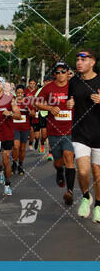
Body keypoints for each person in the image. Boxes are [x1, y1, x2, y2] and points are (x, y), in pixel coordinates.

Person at [67, 50, 100, 222]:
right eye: (77, 59)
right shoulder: (73, 81)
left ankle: (99, 205)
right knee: (84, 169)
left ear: (92, 62)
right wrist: (69, 103)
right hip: (80, 133)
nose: (79, 62)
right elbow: (69, 100)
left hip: (99, 134)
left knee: (97, 172)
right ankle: (86, 197)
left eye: (83, 59)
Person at [37, 62, 75, 205]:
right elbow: (36, 102)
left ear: (68, 72)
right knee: (59, 162)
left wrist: (74, 103)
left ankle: (69, 191)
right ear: (54, 74)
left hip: (71, 130)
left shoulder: (74, 86)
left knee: (69, 156)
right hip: (54, 131)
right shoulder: (48, 88)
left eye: (63, 71)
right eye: (57, 72)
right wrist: (49, 107)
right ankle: (59, 171)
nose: (60, 74)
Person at [0, 77, 21, 196]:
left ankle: (7, 185)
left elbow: (18, 115)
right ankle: (0, 170)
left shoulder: (10, 99)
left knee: (6, 160)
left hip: (7, 135)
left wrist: (10, 113)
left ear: (2, 86)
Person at [12, 84, 31, 175]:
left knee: (22, 148)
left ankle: (20, 165)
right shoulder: (12, 102)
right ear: (15, 93)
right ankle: (14, 163)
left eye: (21, 93)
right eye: (18, 92)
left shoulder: (27, 102)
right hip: (14, 127)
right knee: (16, 146)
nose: (19, 94)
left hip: (25, 127)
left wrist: (29, 111)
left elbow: (33, 114)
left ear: (24, 93)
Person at [25, 78, 38, 151]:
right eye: (31, 83)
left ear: (35, 84)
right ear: (28, 83)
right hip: (26, 112)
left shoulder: (37, 92)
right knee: (29, 129)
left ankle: (32, 142)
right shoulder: (25, 91)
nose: (32, 85)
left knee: (33, 130)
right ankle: (29, 143)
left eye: (33, 83)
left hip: (34, 113)